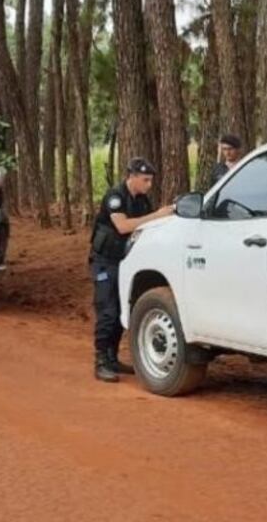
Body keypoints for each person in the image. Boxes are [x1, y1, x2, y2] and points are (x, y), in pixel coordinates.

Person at [89, 158, 174, 382]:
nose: (149, 185)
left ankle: (112, 358)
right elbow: (123, 226)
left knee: (119, 311)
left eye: (150, 180)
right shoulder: (115, 197)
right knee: (107, 310)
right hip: (104, 262)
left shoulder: (142, 201)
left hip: (124, 261)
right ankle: (100, 362)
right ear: (132, 177)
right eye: (145, 180)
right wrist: (158, 215)